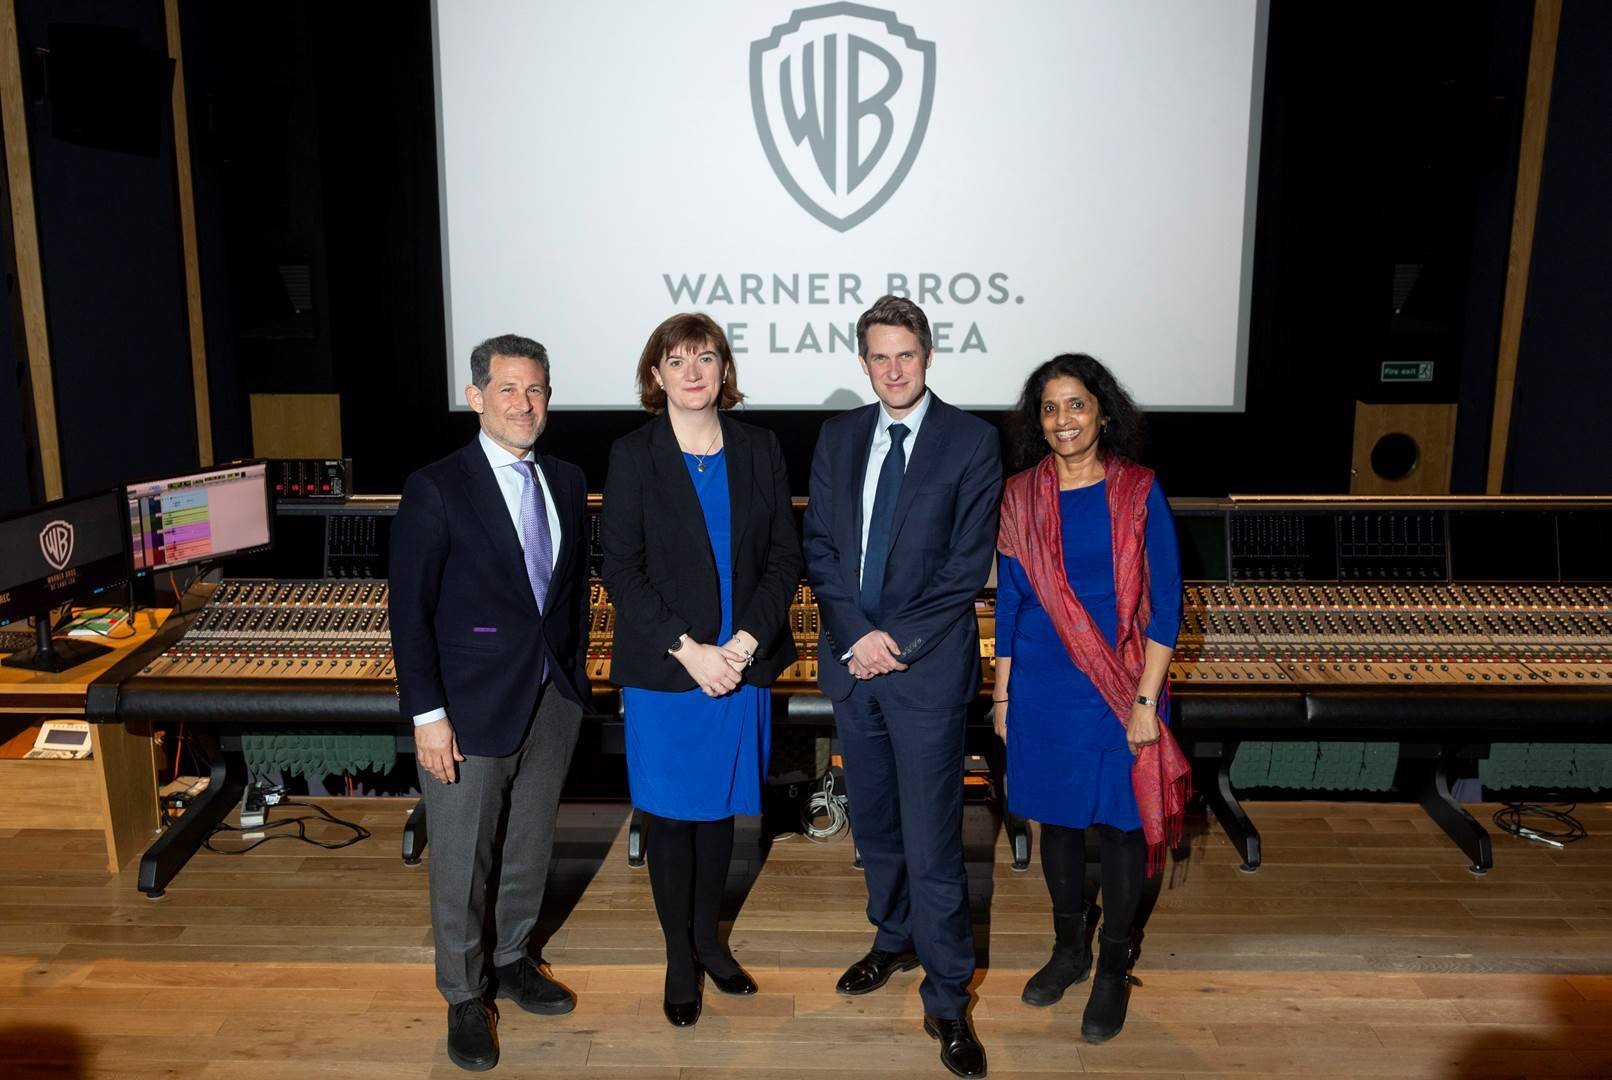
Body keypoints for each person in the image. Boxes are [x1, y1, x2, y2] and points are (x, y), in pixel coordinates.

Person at [802, 295, 1001, 1079]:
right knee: (876, 827)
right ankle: (892, 937)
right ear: (863, 362)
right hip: (854, 668)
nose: (893, 370)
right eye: (879, 357)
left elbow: (965, 566)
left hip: (925, 673)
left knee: (931, 840)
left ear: (928, 356)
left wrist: (897, 643)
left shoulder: (971, 441)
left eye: (905, 355)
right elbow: (821, 547)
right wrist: (858, 636)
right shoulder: (839, 436)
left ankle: (948, 998)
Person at [389, 333, 593, 1071]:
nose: (524, 404)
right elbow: (409, 612)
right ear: (476, 397)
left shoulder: (566, 479)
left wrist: (572, 681)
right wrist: (428, 716)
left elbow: (567, 597)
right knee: (461, 861)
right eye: (508, 389)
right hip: (466, 709)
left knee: (530, 843)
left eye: (536, 389)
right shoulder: (437, 487)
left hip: (552, 698)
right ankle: (462, 993)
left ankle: (511, 959)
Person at [600, 313, 801, 1028]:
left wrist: (741, 647)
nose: (693, 372)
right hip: (668, 669)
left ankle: (709, 941)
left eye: (706, 358)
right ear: (656, 375)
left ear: (724, 370)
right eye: (677, 360)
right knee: (671, 817)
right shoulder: (633, 454)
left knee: (719, 812)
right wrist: (689, 650)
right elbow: (620, 569)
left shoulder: (759, 448)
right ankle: (678, 959)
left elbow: (785, 557)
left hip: (740, 664)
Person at [992, 353, 1190, 1045]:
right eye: (1049, 408)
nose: (1063, 419)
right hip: (1043, 686)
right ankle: (1069, 948)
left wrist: (1146, 701)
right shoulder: (1020, 495)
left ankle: (1113, 965)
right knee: (1058, 823)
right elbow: (1011, 601)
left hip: (1124, 684)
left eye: (1076, 404)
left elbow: (1168, 605)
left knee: (1122, 827)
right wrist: (1003, 694)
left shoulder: (1138, 490)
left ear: (1103, 413)